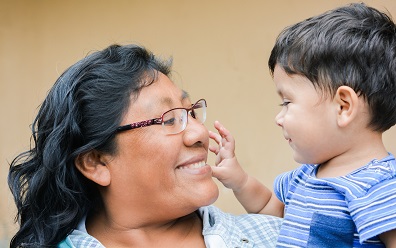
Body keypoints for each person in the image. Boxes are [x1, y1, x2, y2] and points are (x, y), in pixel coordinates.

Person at [8, 44, 282, 247]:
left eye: (192, 112)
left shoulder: (277, 237)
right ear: (97, 162)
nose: (199, 133)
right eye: (169, 119)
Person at [209, 3, 396, 247]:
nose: (279, 118)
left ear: (343, 107)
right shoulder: (303, 177)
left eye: (287, 102)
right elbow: (270, 210)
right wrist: (240, 180)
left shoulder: (381, 187)